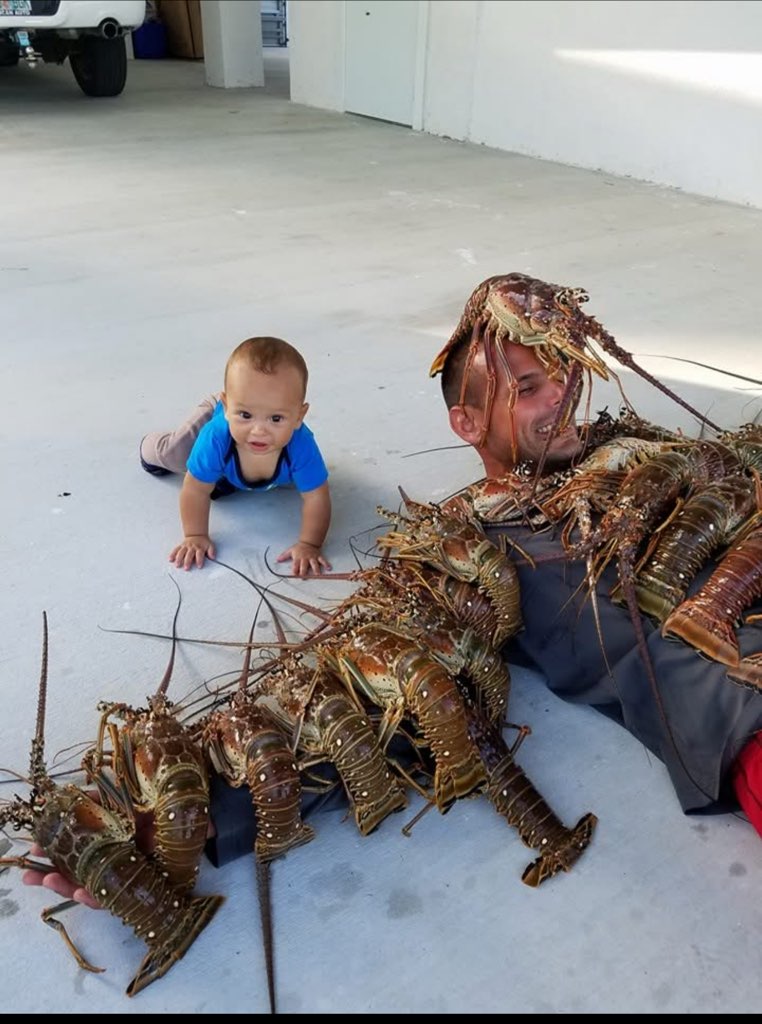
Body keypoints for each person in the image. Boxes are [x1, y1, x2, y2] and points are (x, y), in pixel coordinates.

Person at [432, 276, 762, 838]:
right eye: (529, 386)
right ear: (467, 421)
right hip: (742, 708)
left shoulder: (630, 447)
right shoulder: (475, 543)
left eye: (559, 375)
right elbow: (425, 685)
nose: (559, 393)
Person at [140, 335, 332, 577]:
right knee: (176, 455)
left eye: (276, 418)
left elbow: (317, 496)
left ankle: (229, 475)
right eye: (246, 414)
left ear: (299, 416)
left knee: (224, 476)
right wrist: (195, 535)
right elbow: (195, 490)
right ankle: (150, 446)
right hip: (214, 417)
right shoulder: (216, 435)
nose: (259, 430)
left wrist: (310, 544)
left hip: (236, 448)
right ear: (229, 405)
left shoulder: (301, 444)